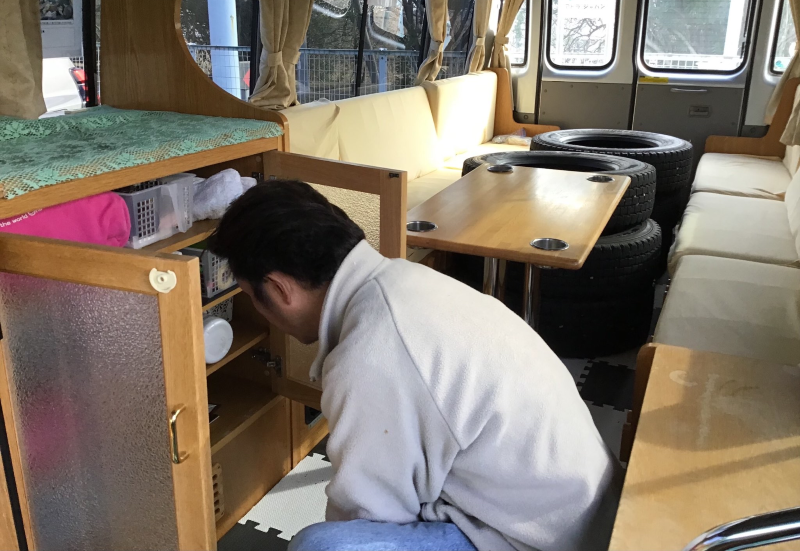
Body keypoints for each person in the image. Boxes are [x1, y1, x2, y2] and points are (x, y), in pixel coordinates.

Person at [209, 180, 623, 551]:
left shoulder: (368, 354)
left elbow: (367, 516)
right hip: (586, 509)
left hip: (542, 540)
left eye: (252, 296)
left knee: (322, 547)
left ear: (279, 289)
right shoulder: (406, 281)